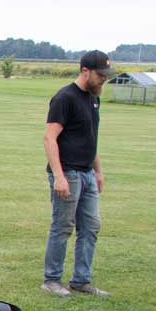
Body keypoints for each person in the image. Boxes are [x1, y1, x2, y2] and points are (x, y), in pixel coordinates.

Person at [40, 50, 115, 297]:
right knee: (62, 227)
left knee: (91, 226)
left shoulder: (94, 99)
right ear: (85, 71)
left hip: (87, 174)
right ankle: (51, 280)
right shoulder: (65, 98)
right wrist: (59, 176)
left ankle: (81, 280)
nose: (104, 79)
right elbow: (50, 138)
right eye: (100, 75)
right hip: (68, 173)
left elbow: (90, 139)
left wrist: (99, 172)